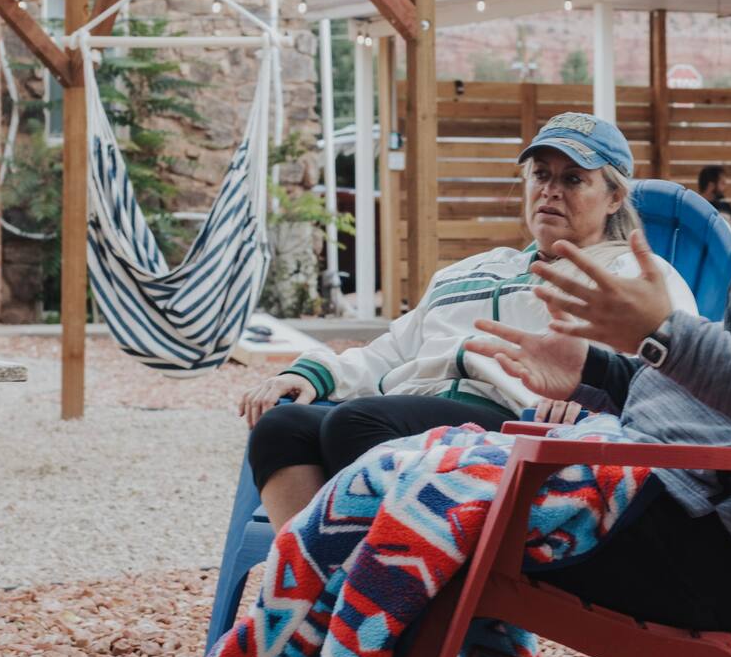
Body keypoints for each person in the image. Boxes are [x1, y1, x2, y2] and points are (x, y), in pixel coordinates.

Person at [42, 16, 731, 657]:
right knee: (399, 467)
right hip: (647, 488)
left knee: (416, 490)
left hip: (689, 539)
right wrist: (594, 368)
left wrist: (660, 336)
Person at [237, 112, 697, 531]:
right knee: (281, 429)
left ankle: (397, 595)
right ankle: (315, 593)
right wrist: (313, 372)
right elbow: (393, 350)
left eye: (573, 179)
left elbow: (668, 373)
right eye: (540, 175)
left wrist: (594, 404)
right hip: (413, 410)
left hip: (516, 430)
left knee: (357, 424)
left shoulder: (631, 275)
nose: (551, 190)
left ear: (615, 196)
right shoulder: (471, 270)